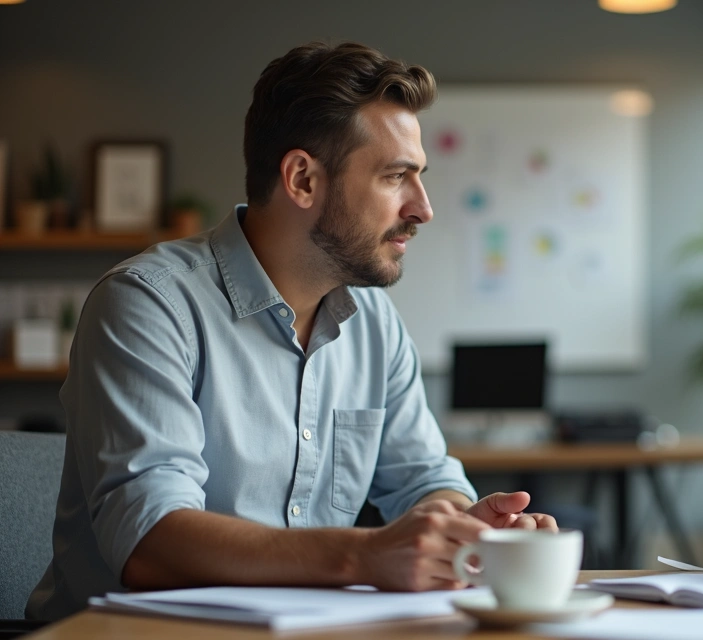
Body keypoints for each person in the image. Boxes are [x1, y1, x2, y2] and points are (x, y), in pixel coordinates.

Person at [27, 42, 557, 621]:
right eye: (395, 177)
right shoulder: (147, 305)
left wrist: (461, 528)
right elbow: (149, 539)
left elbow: (425, 480)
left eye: (419, 177)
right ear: (302, 179)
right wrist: (364, 555)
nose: (423, 207)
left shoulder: (375, 326)